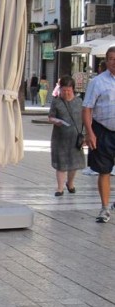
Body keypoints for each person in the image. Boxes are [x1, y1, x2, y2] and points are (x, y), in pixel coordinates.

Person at [82, 46, 115, 223]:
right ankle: (104, 208)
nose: (114, 62)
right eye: (111, 58)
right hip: (103, 130)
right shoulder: (97, 82)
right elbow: (87, 108)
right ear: (106, 61)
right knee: (104, 170)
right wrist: (90, 132)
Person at [48, 76, 85, 197]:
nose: (66, 93)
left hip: (76, 138)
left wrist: (85, 135)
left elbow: (85, 119)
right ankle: (60, 188)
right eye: (63, 90)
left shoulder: (80, 102)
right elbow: (51, 117)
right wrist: (55, 121)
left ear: (73, 89)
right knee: (61, 163)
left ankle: (70, 183)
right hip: (60, 138)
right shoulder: (56, 102)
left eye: (68, 90)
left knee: (73, 164)